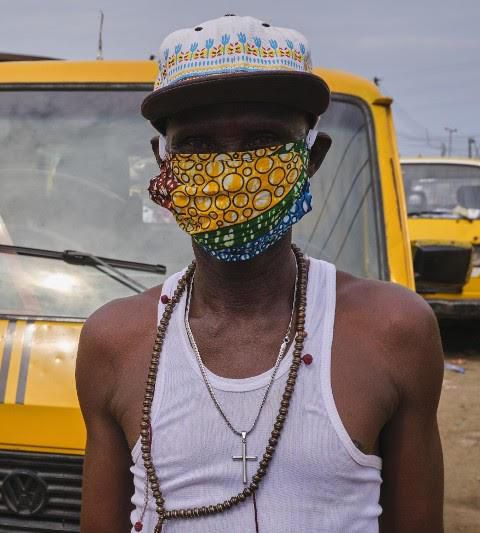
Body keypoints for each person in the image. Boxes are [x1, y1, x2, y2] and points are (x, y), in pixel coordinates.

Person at [76, 15, 444, 533]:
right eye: (198, 145)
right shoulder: (114, 342)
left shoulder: (394, 331)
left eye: (263, 139)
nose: (231, 171)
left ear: (311, 158)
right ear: (164, 166)